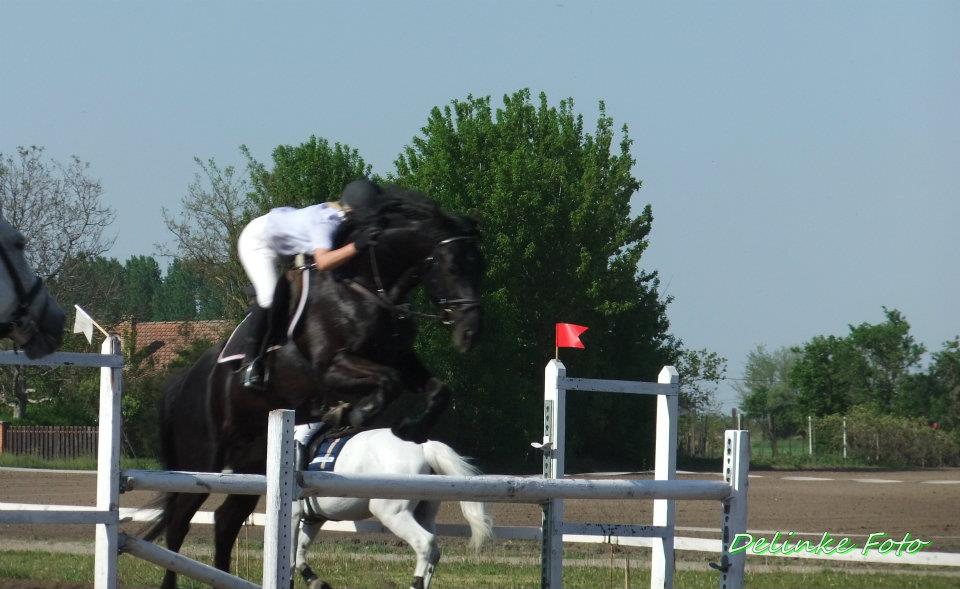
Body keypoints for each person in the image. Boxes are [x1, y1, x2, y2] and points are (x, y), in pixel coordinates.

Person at [236, 178, 383, 390]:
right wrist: (357, 246)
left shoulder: (341, 216)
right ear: (354, 211)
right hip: (258, 242)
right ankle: (250, 363)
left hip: (283, 239)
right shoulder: (327, 223)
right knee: (268, 296)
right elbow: (323, 262)